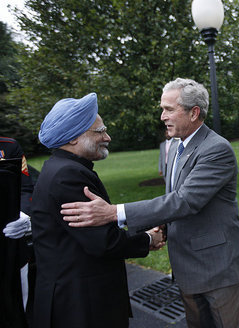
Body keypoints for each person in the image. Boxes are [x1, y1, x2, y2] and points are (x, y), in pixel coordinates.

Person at [60, 79, 239, 328]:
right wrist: (158, 229)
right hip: (187, 268)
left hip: (219, 270)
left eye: (169, 109)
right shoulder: (175, 145)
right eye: (162, 109)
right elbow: (173, 197)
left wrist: (113, 213)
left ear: (194, 113)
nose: (162, 116)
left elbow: (185, 200)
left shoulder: (216, 149)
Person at [31, 93, 165, 328]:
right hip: (82, 307)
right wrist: (148, 239)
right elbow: (103, 242)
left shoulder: (59, 167)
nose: (108, 137)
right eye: (100, 131)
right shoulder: (68, 175)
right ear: (73, 138)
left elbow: (98, 224)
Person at [1, 136, 34, 328]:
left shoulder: (8, 146)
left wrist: (21, 214)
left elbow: (25, 188)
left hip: (10, 244)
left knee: (17, 308)